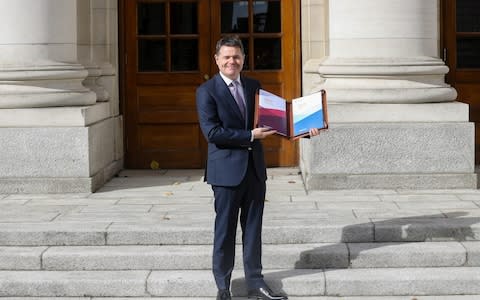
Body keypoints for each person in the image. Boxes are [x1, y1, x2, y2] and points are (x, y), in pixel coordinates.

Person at [196, 35, 319, 300]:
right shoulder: (206, 91)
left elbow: (277, 120)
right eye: (227, 57)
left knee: (253, 230)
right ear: (217, 60)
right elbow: (213, 133)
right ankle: (222, 288)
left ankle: (256, 284)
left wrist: (305, 129)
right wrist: (251, 136)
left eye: (236, 56)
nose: (232, 61)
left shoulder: (254, 86)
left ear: (243, 59)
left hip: (253, 170)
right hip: (226, 174)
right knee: (225, 231)